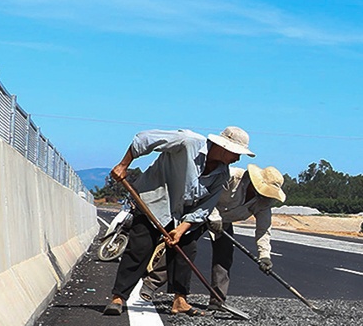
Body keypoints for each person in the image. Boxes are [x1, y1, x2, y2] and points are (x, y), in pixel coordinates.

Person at [102, 127, 254, 315]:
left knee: (187, 248)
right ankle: (118, 297)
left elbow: (204, 207)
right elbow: (144, 139)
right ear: (224, 147)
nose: (237, 158)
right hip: (154, 202)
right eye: (236, 153)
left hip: (181, 214)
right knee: (140, 248)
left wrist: (181, 230)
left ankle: (180, 300)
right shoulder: (188, 142)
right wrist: (123, 165)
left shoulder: (222, 175)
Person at [206, 165, 286, 309]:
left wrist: (264, 256)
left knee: (224, 257)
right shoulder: (231, 177)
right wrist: (213, 216)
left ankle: (217, 301)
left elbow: (263, 230)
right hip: (201, 212)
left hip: (224, 222)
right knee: (184, 247)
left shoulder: (264, 203)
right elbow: (206, 192)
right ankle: (165, 288)